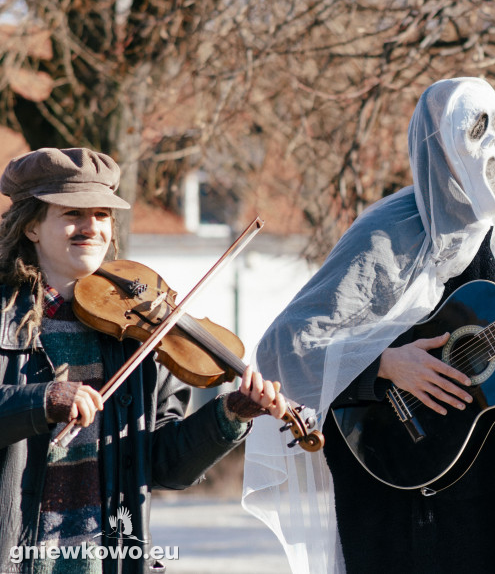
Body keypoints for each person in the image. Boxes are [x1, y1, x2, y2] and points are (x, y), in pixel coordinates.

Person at [242, 77, 495, 574]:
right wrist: (384, 364)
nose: (492, 140)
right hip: (403, 494)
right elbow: (288, 347)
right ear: (439, 140)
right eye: (476, 127)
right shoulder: (386, 231)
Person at [0, 147, 288, 574]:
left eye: (102, 215)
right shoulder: (6, 318)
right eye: (73, 214)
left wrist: (229, 417)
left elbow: (164, 467)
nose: (91, 228)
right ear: (32, 227)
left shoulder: (137, 331)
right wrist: (42, 400)